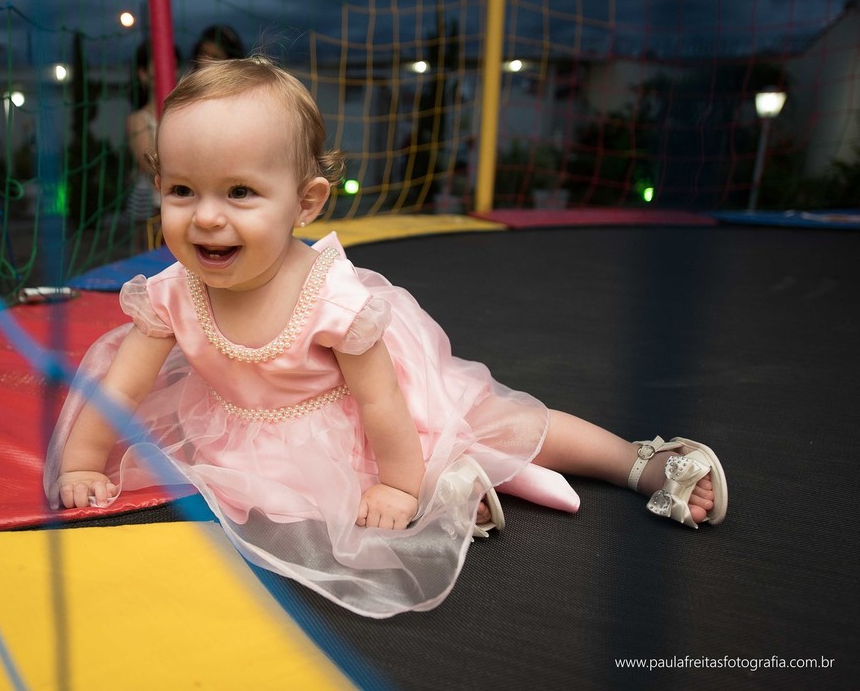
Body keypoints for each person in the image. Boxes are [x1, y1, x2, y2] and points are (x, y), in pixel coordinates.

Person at [42, 57, 727, 618]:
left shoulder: (333, 298)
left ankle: (635, 463)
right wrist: (82, 462)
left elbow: (380, 408)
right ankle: (461, 486)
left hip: (375, 417)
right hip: (251, 432)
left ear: (305, 202)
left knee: (497, 420)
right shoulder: (171, 292)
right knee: (306, 501)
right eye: (183, 191)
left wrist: (399, 486)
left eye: (241, 193)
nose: (207, 219)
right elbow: (122, 384)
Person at [125, 41, 179, 250]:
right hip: (150, 205)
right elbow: (150, 164)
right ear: (143, 74)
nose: (166, 72)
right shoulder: (139, 119)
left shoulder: (184, 115)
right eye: (156, 67)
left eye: (171, 66)